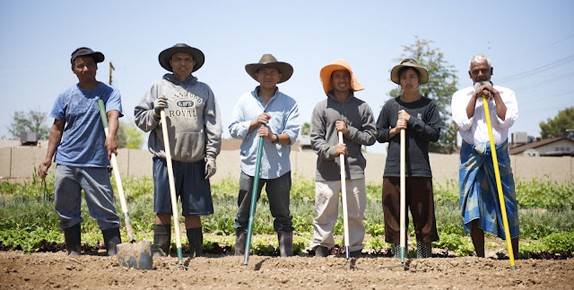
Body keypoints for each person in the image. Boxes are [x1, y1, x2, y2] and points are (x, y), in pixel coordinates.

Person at [134, 43, 222, 257]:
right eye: (178, 59)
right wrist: (155, 112)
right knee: (163, 207)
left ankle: (196, 251)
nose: (183, 63)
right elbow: (140, 119)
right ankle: (160, 251)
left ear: (194, 64)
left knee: (194, 210)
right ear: (171, 63)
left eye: (187, 60)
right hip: (166, 159)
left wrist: (211, 156)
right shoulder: (158, 87)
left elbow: (213, 125)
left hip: (195, 159)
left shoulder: (204, 90)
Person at [38, 47, 123, 256]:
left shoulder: (109, 93)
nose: (85, 69)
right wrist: (48, 159)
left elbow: (113, 116)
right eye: (80, 65)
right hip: (67, 161)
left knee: (105, 210)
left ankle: (115, 252)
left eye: (90, 65)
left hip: (95, 162)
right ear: (74, 69)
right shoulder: (65, 96)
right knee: (65, 208)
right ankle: (73, 252)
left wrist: (111, 137)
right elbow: (57, 128)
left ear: (96, 68)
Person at [228, 54, 300, 257]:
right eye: (264, 71)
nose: (268, 75)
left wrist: (273, 137)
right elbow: (233, 129)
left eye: (273, 72)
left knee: (283, 214)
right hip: (250, 166)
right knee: (243, 213)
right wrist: (253, 123)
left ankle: (286, 256)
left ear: (279, 76)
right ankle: (240, 253)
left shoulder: (289, 103)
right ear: (257, 75)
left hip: (279, 168)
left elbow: (293, 135)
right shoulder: (245, 101)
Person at [451, 54, 519, 258]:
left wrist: (494, 96)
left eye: (484, 70)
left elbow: (506, 120)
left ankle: (513, 253)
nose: (480, 75)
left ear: (491, 71)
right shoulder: (460, 96)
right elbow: (463, 123)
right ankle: (480, 256)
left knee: (507, 202)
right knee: (473, 206)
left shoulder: (507, 93)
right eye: (475, 71)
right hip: (472, 156)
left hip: (497, 155)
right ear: (470, 75)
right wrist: (475, 97)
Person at [309, 59, 376, 257]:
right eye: (337, 76)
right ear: (331, 81)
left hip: (354, 169)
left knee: (354, 213)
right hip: (327, 170)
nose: (342, 80)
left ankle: (353, 247)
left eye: (345, 76)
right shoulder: (321, 108)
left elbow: (371, 137)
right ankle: (322, 245)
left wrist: (348, 131)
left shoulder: (362, 108)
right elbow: (315, 139)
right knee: (324, 211)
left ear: (351, 79)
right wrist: (332, 150)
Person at [375, 58, 441, 258]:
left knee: (423, 214)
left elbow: (435, 134)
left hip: (420, 169)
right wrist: (395, 129)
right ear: (399, 82)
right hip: (394, 169)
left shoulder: (428, 106)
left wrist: (412, 121)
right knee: (394, 212)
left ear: (419, 80)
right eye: (404, 77)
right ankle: (398, 253)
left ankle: (424, 254)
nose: (408, 81)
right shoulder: (390, 106)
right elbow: (378, 134)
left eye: (412, 76)